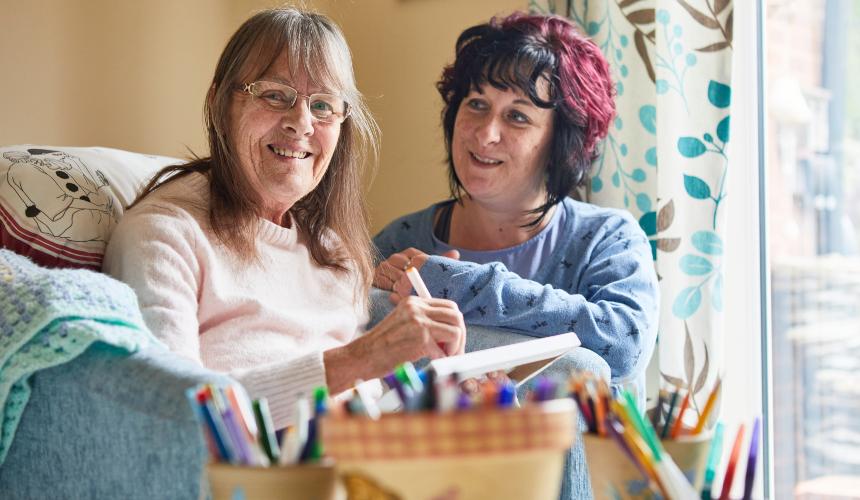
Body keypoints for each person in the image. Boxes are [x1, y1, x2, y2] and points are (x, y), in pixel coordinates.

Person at [103, 7, 465, 429]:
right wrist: (359, 359)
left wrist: (436, 385)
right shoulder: (163, 235)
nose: (301, 123)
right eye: (275, 95)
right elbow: (172, 416)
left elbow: (355, 401)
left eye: (324, 105)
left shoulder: (332, 248)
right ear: (220, 103)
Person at [373, 12, 658, 392]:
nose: (486, 133)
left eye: (517, 116)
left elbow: (624, 347)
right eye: (476, 104)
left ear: (561, 144)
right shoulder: (399, 243)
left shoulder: (607, 238)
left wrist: (463, 286)